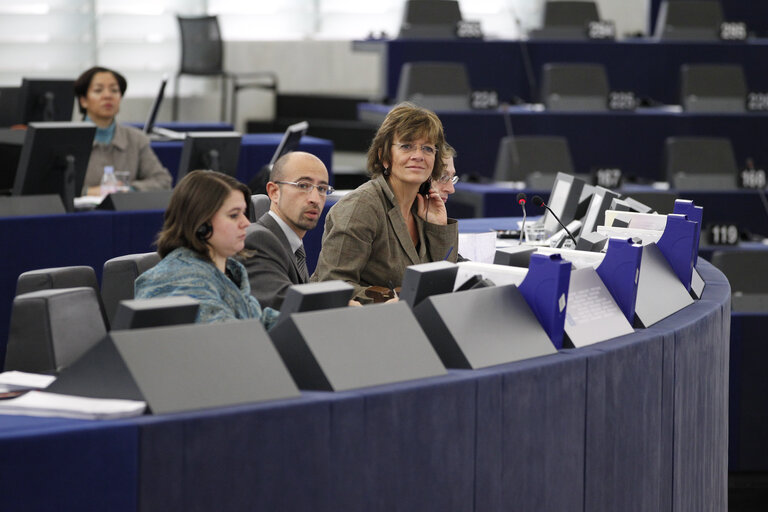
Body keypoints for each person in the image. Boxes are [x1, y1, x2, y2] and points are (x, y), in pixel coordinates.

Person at [311, 102, 458, 303]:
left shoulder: (424, 206)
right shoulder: (361, 206)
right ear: (385, 156)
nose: (418, 156)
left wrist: (438, 227)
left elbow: (442, 282)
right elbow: (333, 287)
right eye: (407, 146)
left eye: (427, 148)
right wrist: (395, 298)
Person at [135, 170, 279, 327]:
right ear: (201, 223)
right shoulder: (179, 280)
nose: (246, 223)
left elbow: (257, 322)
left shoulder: (230, 272)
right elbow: (225, 339)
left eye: (244, 213)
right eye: (233, 215)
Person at [242, 151, 332, 310]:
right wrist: (340, 305)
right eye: (303, 186)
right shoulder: (258, 240)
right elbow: (283, 306)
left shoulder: (292, 243)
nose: (315, 199)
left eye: (322, 189)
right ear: (274, 192)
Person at [73, 66, 172, 196]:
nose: (108, 96)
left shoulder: (136, 139)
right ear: (83, 101)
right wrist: (88, 192)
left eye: (114, 90)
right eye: (98, 90)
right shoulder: (69, 138)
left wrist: (129, 189)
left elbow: (163, 181)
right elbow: (51, 188)